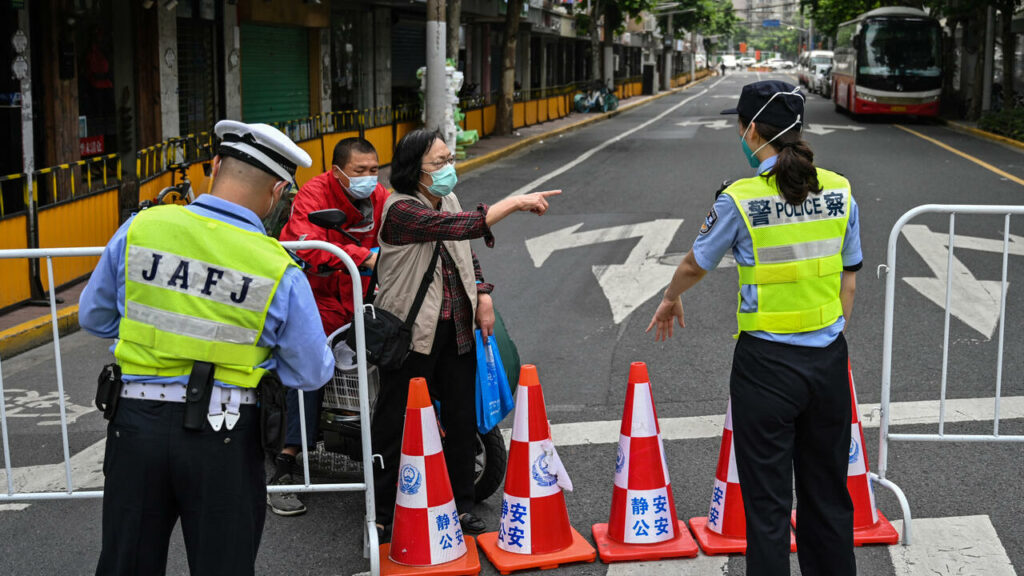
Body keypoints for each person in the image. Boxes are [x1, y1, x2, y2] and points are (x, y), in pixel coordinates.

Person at [80, 120, 335, 576]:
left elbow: (94, 318)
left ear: (215, 166)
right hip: (225, 435)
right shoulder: (277, 266)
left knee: (126, 564)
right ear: (277, 192)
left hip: (135, 427)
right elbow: (312, 372)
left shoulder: (141, 229)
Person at [647, 80, 861, 576]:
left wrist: (670, 297)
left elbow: (696, 264)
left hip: (765, 367)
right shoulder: (840, 190)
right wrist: (827, 338)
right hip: (828, 361)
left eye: (739, 127)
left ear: (750, 131)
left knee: (766, 506)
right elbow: (848, 282)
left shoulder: (740, 199)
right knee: (827, 495)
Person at [372, 129, 559, 539]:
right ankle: (383, 513)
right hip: (411, 334)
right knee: (393, 424)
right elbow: (457, 228)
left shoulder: (447, 198)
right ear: (413, 171)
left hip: (455, 327)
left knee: (460, 419)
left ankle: (460, 507)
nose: (448, 169)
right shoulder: (401, 210)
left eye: (449, 159)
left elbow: (464, 252)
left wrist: (483, 292)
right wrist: (514, 202)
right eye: (438, 164)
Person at [269, 138, 388, 516]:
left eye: (374, 170)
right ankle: (287, 462)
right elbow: (302, 242)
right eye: (359, 171)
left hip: (367, 298)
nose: (369, 178)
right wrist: (362, 257)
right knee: (308, 364)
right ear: (338, 171)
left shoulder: (381, 197)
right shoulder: (314, 194)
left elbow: (399, 235)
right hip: (320, 300)